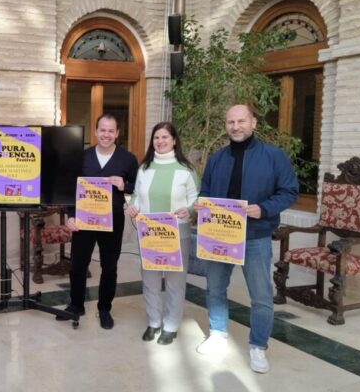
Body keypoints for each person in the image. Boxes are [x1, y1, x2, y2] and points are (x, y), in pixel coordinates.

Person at [194, 104, 298, 373]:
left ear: (253, 123)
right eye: (231, 122)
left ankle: (258, 346)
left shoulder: (274, 156)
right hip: (218, 234)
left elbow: (289, 191)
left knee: (261, 295)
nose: (236, 127)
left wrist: (264, 208)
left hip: (255, 235)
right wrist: (201, 203)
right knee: (215, 288)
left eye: (241, 121)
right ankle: (218, 334)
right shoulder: (217, 158)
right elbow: (205, 190)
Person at [57, 113, 139, 329]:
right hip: (84, 221)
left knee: (109, 267)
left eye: (111, 131)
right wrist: (71, 215)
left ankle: (104, 309)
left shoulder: (128, 159)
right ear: (95, 131)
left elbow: (137, 187)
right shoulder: (82, 157)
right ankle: (76, 305)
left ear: (117, 133)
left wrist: (124, 185)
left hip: (113, 221)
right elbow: (70, 189)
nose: (106, 135)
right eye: (103, 130)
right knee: (77, 265)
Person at [126, 122, 198, 345]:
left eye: (165, 137)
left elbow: (197, 200)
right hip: (149, 234)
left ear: (174, 140)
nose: (160, 141)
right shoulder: (144, 169)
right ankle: (154, 321)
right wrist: (133, 207)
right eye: (156, 137)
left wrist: (190, 210)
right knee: (150, 280)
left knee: (175, 282)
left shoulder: (186, 170)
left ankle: (171, 325)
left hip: (177, 233)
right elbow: (136, 195)